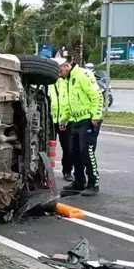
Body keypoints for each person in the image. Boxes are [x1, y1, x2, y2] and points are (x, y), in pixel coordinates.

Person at [56, 59, 103, 196]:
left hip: (88, 120)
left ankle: (93, 183)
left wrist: (96, 115)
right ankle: (79, 181)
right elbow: (66, 102)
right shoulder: (66, 80)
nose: (59, 75)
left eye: (60, 71)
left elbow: (96, 95)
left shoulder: (83, 75)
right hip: (74, 120)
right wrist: (63, 119)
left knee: (86, 152)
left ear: (66, 66)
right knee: (73, 152)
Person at [49, 58, 73, 182]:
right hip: (50, 120)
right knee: (46, 147)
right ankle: (45, 172)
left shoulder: (68, 82)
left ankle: (67, 171)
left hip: (65, 120)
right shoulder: (47, 83)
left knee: (68, 148)